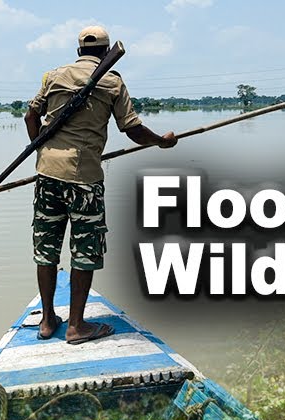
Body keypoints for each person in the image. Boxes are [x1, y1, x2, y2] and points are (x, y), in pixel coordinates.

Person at [25, 25, 177, 343]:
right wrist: (161, 142)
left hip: (47, 176)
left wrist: (43, 151)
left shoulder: (53, 76)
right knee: (85, 251)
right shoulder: (111, 81)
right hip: (84, 180)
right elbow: (132, 129)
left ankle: (48, 319)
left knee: (46, 249)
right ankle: (77, 326)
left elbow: (31, 116)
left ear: (79, 50)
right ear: (107, 52)